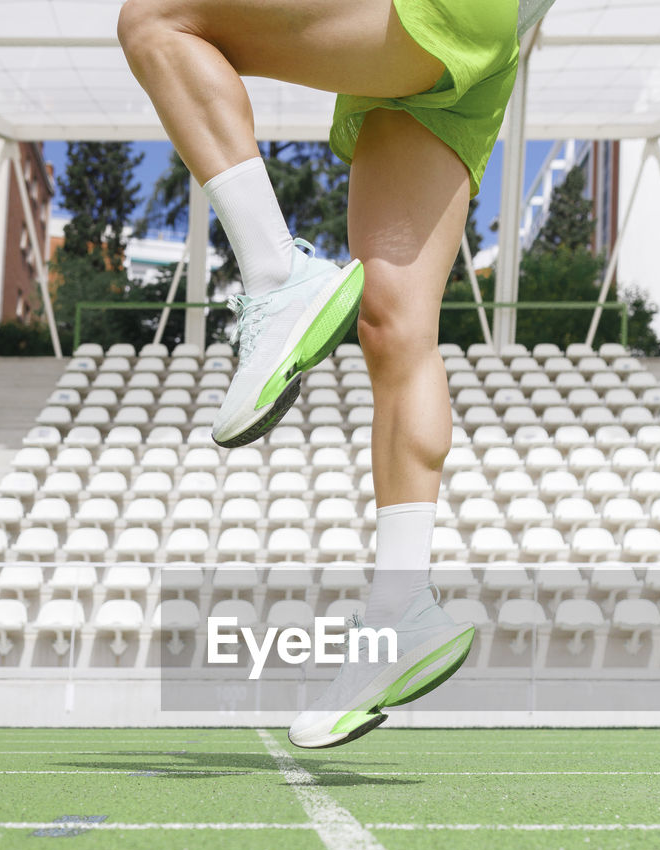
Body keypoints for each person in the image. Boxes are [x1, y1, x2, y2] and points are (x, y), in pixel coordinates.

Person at [118, 0, 553, 748]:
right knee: (393, 327)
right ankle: (399, 609)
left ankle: (275, 271)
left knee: (157, 20)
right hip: (482, 45)